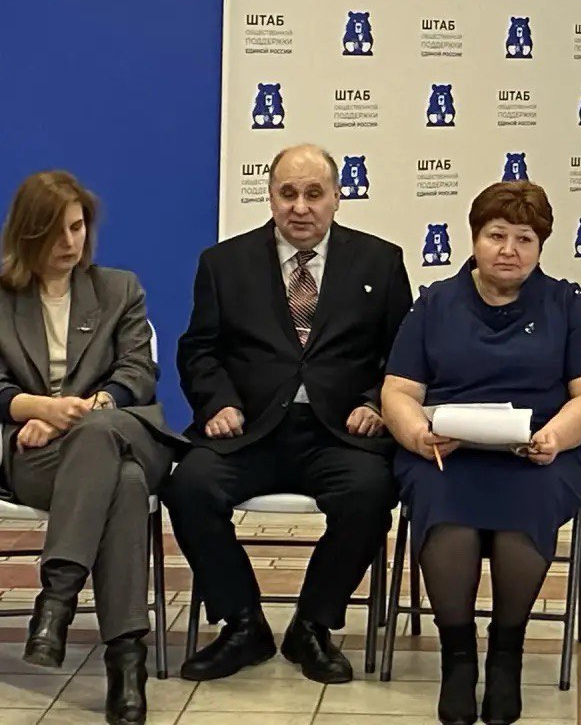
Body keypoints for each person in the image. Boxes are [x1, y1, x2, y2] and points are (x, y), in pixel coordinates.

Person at [163, 144, 411, 684]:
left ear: (337, 198)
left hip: (338, 434)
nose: (300, 207)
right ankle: (242, 623)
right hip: (248, 432)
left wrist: (376, 403)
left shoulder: (380, 261)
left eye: (314, 193)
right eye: (288, 193)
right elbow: (199, 350)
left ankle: (313, 626)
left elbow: (404, 354)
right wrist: (218, 402)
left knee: (371, 494)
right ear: (271, 196)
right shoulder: (223, 264)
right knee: (188, 488)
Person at [381, 181, 581, 725]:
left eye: (524, 239)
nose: (509, 250)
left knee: (522, 515)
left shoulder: (565, 303)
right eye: (496, 235)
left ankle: (506, 654)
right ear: (475, 238)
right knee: (447, 516)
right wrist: (417, 434)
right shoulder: (435, 303)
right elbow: (398, 391)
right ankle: (458, 659)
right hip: (446, 451)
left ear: (540, 246)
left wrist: (556, 436)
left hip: (539, 452)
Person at [0, 171, 185, 725]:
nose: (70, 243)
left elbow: (138, 371)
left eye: (78, 228)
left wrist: (82, 412)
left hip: (121, 429)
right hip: (39, 455)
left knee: (101, 436)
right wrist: (36, 409)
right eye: (55, 231)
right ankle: (127, 665)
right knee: (123, 484)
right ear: (28, 234)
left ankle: (56, 600)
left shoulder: (119, 289)